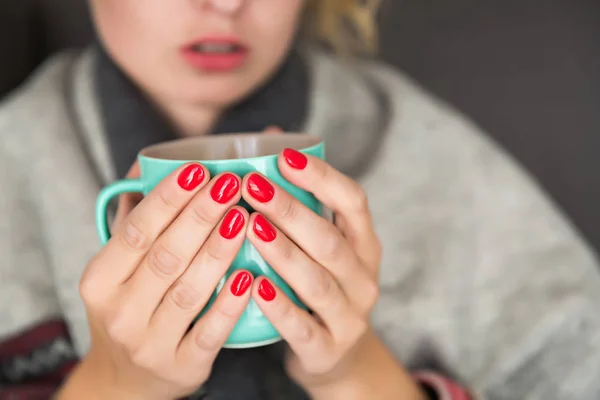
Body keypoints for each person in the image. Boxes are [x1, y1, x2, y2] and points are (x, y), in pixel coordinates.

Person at [1, 0, 600, 399]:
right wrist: (113, 384)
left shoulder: (431, 151)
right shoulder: (15, 160)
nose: (229, 2)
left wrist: (356, 372)